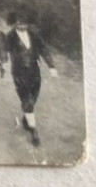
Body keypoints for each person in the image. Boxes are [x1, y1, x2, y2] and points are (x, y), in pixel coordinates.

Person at [5, 13, 57, 147]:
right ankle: (33, 131)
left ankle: (26, 117)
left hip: (35, 71)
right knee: (27, 101)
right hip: (19, 73)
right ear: (15, 23)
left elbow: (43, 49)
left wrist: (51, 66)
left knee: (33, 98)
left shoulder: (33, 35)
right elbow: (3, 52)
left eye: (25, 23)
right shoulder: (10, 36)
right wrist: (3, 66)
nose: (22, 26)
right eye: (19, 23)